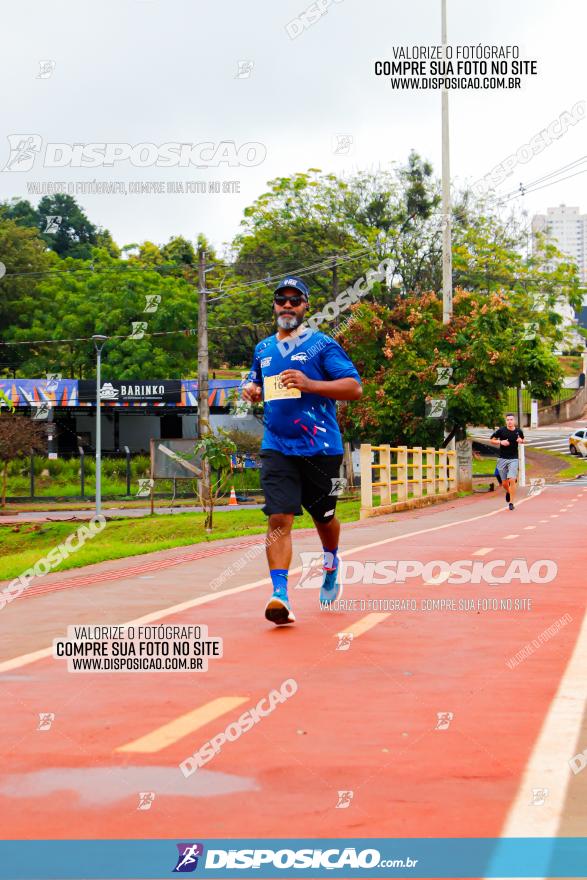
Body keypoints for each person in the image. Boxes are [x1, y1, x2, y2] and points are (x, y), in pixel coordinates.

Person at [241, 276, 362, 625]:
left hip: (320, 447)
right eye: (282, 300)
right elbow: (252, 379)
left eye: (296, 300)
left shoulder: (322, 345)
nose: (288, 306)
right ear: (275, 306)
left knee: (323, 517)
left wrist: (311, 384)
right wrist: (250, 389)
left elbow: (354, 387)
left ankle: (331, 560)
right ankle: (280, 595)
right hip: (277, 446)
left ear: (306, 306)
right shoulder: (263, 349)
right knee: (279, 518)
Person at [489, 414, 525, 510]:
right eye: (508, 420)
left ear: (514, 421)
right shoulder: (501, 431)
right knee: (504, 483)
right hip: (502, 459)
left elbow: (523, 440)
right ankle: (508, 492)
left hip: (513, 458)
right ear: (506, 421)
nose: (509, 421)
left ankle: (511, 503)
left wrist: (521, 440)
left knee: (511, 479)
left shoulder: (518, 431)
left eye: (511, 419)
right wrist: (501, 442)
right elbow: (491, 440)